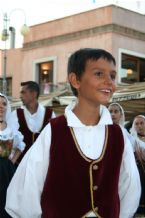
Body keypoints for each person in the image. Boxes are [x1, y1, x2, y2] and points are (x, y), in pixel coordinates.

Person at [6, 48, 140, 218]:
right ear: (75, 80)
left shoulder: (119, 135)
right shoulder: (54, 131)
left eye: (113, 76)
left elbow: (130, 188)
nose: (109, 82)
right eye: (99, 74)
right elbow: (27, 189)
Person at [12, 81, 56, 164]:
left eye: (23, 92)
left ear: (34, 94)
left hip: (42, 166)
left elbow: (54, 140)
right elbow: (11, 142)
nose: (20, 96)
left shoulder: (50, 114)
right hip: (20, 166)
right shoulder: (16, 115)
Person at [0, 93, 25, 218]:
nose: (1, 107)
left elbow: (20, 146)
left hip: (6, 170)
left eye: (4, 104)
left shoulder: (11, 128)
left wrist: (12, 160)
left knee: (6, 200)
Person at [130, 115, 145, 215]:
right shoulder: (131, 140)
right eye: (136, 123)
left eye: (142, 123)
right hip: (138, 174)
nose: (139, 126)